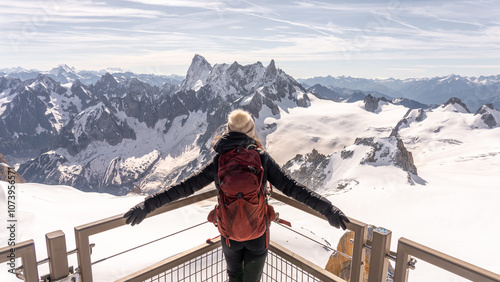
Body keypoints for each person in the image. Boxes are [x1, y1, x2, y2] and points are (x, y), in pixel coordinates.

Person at [124, 109, 350, 282]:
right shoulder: (261, 158)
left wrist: (147, 205)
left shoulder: (219, 160)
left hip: (229, 234)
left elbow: (185, 187)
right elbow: (292, 187)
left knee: (234, 276)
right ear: (252, 131)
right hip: (258, 234)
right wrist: (328, 209)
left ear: (228, 131)